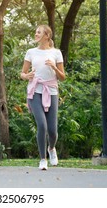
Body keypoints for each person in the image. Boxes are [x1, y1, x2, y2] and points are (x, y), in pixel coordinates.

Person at [20, 25, 66, 170]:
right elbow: (22, 73)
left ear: (47, 35)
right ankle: (42, 159)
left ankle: (51, 149)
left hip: (51, 91)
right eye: (36, 32)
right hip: (35, 91)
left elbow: (63, 77)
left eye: (39, 32)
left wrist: (54, 67)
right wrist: (26, 76)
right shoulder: (30, 52)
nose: (36, 34)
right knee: (42, 125)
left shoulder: (56, 53)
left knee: (52, 131)